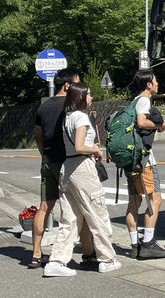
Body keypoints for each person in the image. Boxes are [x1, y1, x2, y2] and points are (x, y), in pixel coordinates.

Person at [43, 83, 120, 277]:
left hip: (67, 169)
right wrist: (95, 149)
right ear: (80, 97)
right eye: (89, 94)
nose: (91, 97)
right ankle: (107, 259)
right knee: (97, 212)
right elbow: (79, 146)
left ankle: (56, 261)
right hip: (82, 168)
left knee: (69, 219)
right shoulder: (80, 116)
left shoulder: (67, 118)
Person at [31, 68, 95, 269]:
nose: (79, 87)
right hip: (68, 163)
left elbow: (38, 136)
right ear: (67, 86)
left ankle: (35, 254)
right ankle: (88, 253)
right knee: (81, 209)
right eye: (77, 83)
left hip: (47, 161)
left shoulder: (43, 107)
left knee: (44, 207)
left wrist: (44, 155)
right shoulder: (70, 107)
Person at [125, 69, 165, 260]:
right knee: (155, 200)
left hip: (132, 160)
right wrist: (159, 126)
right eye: (155, 80)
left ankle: (135, 245)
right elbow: (142, 123)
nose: (157, 83)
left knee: (134, 201)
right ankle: (149, 243)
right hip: (144, 161)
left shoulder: (133, 101)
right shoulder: (144, 100)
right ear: (148, 85)